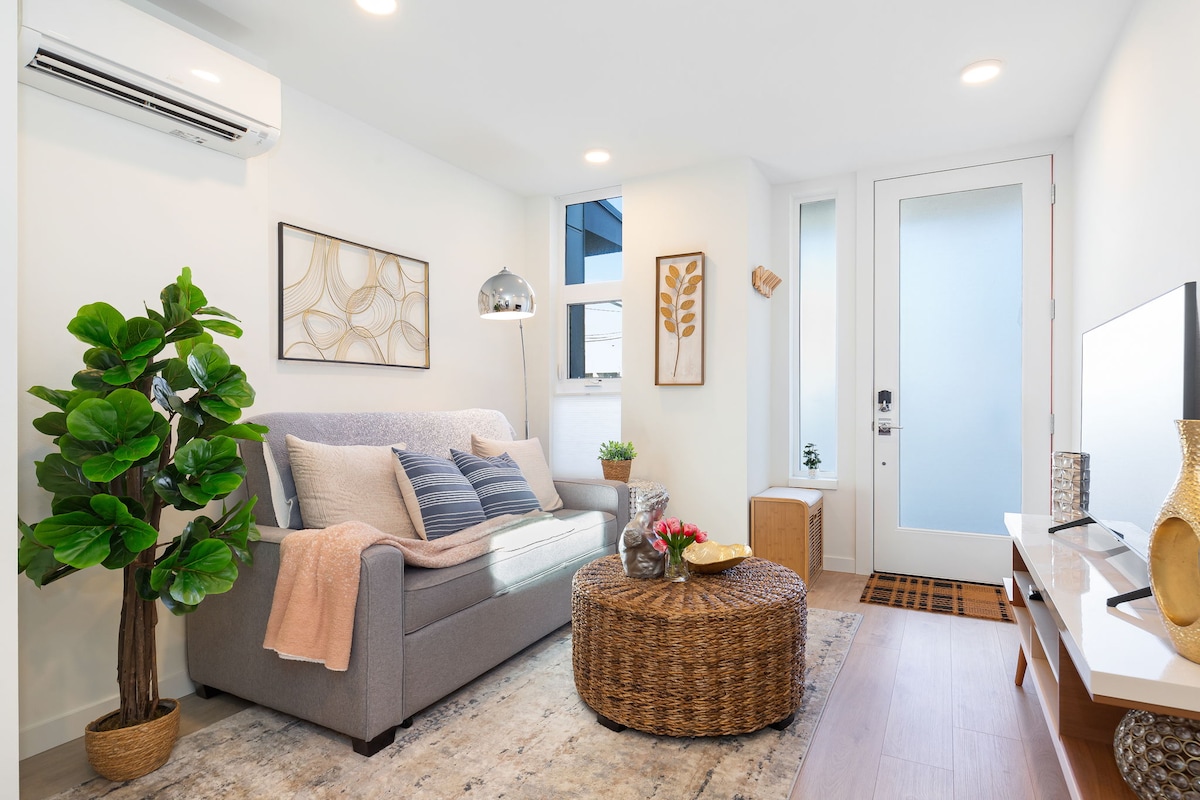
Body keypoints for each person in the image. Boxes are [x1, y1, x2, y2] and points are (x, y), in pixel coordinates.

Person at [619, 508, 665, 578]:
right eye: (663, 507)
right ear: (657, 505)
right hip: (640, 579)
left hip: (657, 577)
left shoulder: (653, 529)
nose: (663, 511)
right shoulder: (633, 530)